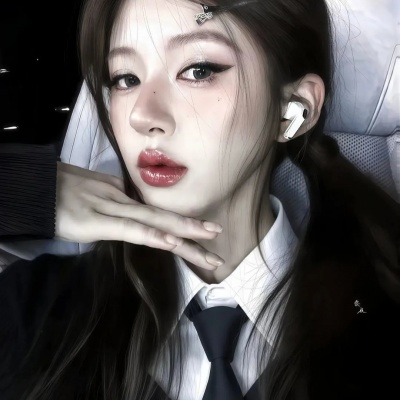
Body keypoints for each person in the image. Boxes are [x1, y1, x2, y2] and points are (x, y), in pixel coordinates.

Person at [1, 0, 400, 399]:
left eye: (199, 70)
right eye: (125, 78)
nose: (142, 115)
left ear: (293, 110)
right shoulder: (37, 310)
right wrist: (22, 190)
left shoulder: (381, 319)